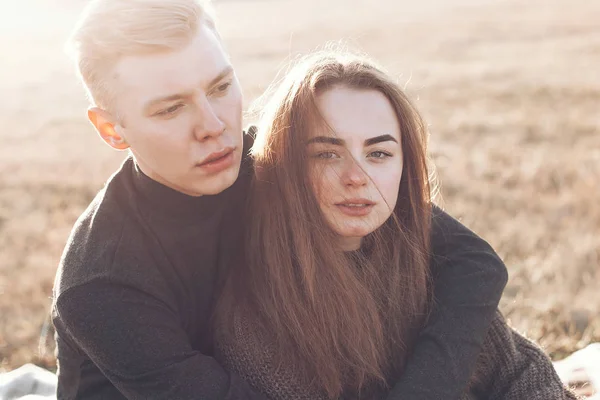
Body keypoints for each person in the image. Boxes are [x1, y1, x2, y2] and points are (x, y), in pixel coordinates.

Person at [52, 1, 508, 399]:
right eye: (171, 108)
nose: (213, 125)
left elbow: (473, 262)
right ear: (112, 129)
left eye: (219, 87)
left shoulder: (270, 162)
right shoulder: (101, 284)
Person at [213, 51, 580, 400]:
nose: (357, 177)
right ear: (284, 165)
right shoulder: (255, 314)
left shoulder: (429, 263)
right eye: (326, 154)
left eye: (379, 153)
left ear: (405, 168)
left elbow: (521, 371)